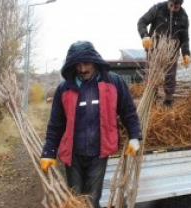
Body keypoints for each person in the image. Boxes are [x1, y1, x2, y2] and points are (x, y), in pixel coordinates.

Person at [40, 41, 142, 208]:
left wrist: (134, 136)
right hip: (73, 154)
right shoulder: (64, 89)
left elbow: (128, 111)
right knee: (75, 198)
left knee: (92, 198)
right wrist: (48, 152)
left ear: (95, 61)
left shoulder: (113, 83)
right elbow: (56, 124)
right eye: (77, 65)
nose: (82, 69)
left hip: (99, 153)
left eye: (86, 63)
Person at [137, 0, 191, 107]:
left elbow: (184, 38)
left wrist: (186, 53)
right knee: (152, 75)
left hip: (171, 52)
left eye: (175, 7)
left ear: (180, 4)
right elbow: (142, 22)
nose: (172, 8)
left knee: (170, 76)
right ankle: (151, 100)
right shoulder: (157, 9)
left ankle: (168, 100)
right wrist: (145, 36)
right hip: (155, 50)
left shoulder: (183, 16)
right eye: (171, 5)